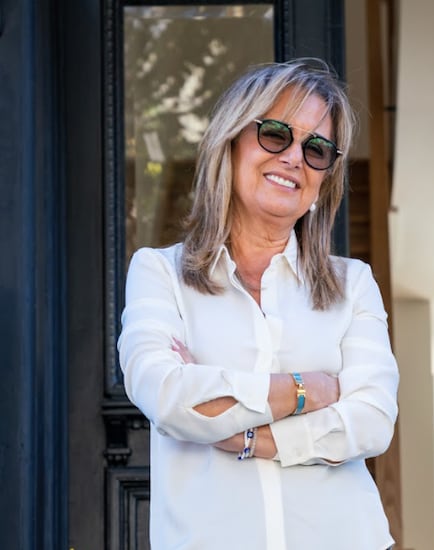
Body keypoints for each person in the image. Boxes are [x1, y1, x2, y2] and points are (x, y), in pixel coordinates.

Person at [117, 58, 399, 550]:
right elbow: (165, 394)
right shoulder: (159, 273)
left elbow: (372, 421)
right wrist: (307, 390)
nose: (294, 157)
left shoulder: (352, 284)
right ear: (230, 143)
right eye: (275, 134)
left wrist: (246, 436)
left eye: (316, 148)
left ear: (324, 181)